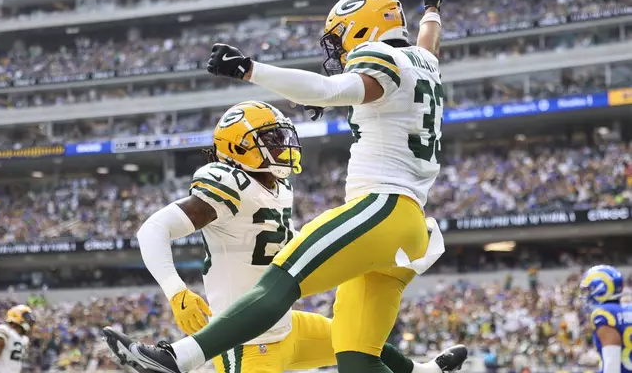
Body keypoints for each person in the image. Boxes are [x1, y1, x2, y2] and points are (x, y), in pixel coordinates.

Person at [103, 0, 468, 373]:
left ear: (362, 30)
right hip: (410, 225)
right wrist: (431, 8)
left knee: (282, 280)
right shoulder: (425, 63)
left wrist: (249, 69)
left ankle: (178, 358)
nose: (339, 52)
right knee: (357, 357)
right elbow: (428, 44)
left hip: (380, 208)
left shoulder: (382, 58)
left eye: (341, 39)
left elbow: (328, 88)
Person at [104, 100, 460, 373]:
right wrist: (176, 290)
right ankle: (172, 358)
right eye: (271, 140)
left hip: (286, 326)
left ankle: (421, 370)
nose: (282, 146)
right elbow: (153, 228)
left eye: (282, 137)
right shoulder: (228, 181)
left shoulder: (279, 186)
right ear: (238, 148)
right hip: (245, 339)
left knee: (355, 335)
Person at [580, 265, 631, 373]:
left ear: (601, 289)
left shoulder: (604, 313)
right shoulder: (628, 309)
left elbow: (612, 362)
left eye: (590, 289)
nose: (587, 294)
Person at [0, 305, 35, 373]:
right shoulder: (5, 330)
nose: (29, 320)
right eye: (26, 317)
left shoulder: (24, 339)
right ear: (16, 315)